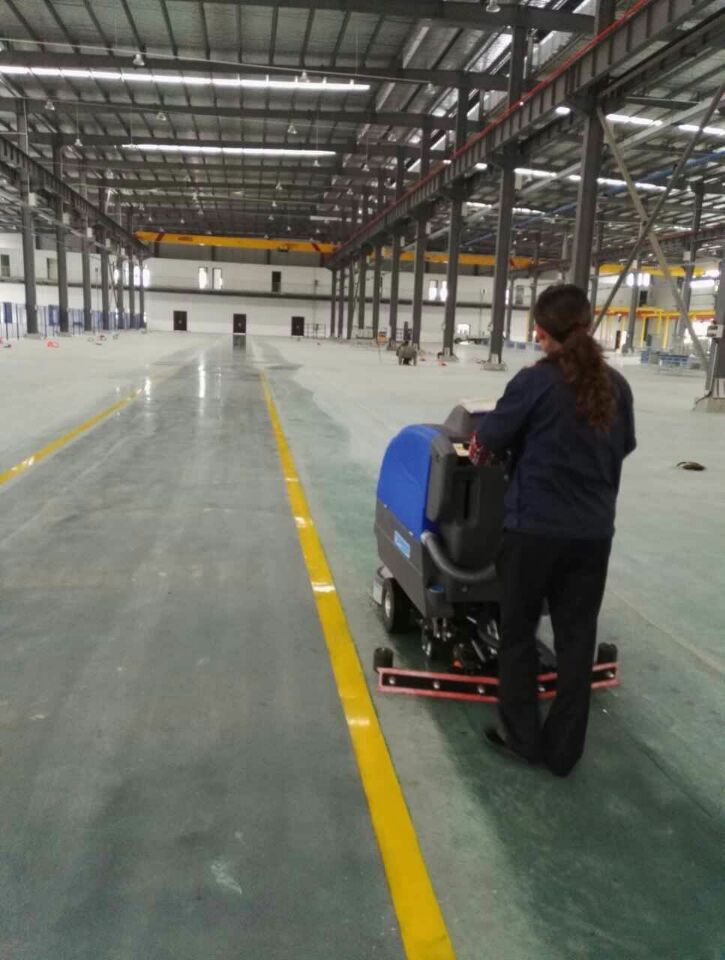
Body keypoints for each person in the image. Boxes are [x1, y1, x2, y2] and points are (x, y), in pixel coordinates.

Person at [470, 284, 636, 776]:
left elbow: (487, 442)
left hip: (533, 532)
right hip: (592, 534)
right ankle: (564, 752)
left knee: (518, 634)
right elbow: (623, 446)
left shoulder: (534, 382)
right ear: (588, 324)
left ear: (540, 330)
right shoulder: (617, 387)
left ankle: (523, 739)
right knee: (577, 640)